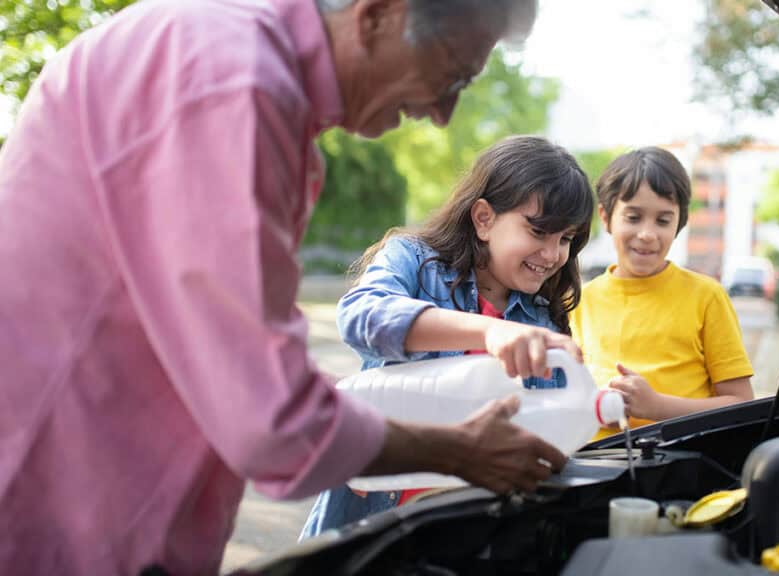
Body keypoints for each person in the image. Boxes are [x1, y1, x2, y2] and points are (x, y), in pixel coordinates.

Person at [0, 0, 566, 574]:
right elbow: (275, 419)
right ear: (377, 16)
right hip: (57, 511)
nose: (444, 113)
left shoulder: (240, 66)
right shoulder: (233, 82)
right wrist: (459, 451)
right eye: (451, 74)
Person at [300, 134, 594, 537]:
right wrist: (491, 331)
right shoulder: (414, 261)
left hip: (466, 524)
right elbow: (361, 315)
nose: (553, 254)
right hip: (374, 505)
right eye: (539, 232)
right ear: (484, 218)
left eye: (565, 239)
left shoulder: (542, 319)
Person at [569, 147, 754, 440]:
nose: (647, 234)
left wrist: (656, 406)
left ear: (680, 223)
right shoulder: (578, 301)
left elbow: (741, 405)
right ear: (605, 217)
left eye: (663, 220)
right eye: (633, 217)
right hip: (595, 462)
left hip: (681, 462)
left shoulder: (707, 296)